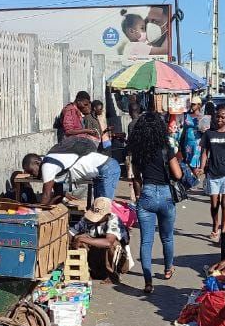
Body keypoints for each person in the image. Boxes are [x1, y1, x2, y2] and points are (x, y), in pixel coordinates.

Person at [129, 111, 183, 294]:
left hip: (147, 194)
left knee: (146, 241)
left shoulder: (138, 151)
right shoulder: (166, 147)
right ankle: (168, 269)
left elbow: (136, 178)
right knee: (167, 237)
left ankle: (148, 281)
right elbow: (178, 175)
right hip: (166, 194)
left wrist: (138, 196)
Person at [22, 135, 121, 205]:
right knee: (98, 206)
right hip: (102, 170)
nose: (32, 175)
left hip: (107, 168)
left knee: (103, 207)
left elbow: (46, 194)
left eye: (31, 171)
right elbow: (58, 194)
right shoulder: (52, 162)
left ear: (37, 162)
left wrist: (37, 214)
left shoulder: (48, 165)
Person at [197, 106, 225, 241]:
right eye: (218, 116)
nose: (220, 119)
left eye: (223, 117)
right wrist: (202, 167)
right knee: (214, 204)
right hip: (212, 173)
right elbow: (204, 153)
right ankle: (215, 226)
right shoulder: (209, 134)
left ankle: (223, 231)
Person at [69, 197, 129, 284]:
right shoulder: (86, 219)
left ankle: (112, 275)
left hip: (114, 257)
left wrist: (82, 239)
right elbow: (71, 233)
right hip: (95, 255)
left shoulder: (114, 220)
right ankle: (86, 270)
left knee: (113, 245)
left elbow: (108, 242)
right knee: (80, 238)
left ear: (107, 214)